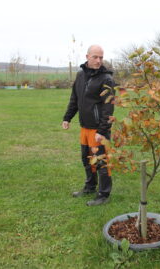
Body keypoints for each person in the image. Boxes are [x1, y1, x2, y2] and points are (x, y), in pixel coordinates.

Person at [62, 45, 115, 206]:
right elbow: (75, 99)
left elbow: (108, 108)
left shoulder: (107, 79)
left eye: (101, 57)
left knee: (101, 161)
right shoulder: (80, 75)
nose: (98, 60)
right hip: (84, 127)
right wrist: (67, 118)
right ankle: (90, 187)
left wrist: (102, 130)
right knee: (87, 159)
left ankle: (103, 195)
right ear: (87, 57)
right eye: (95, 57)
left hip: (98, 130)